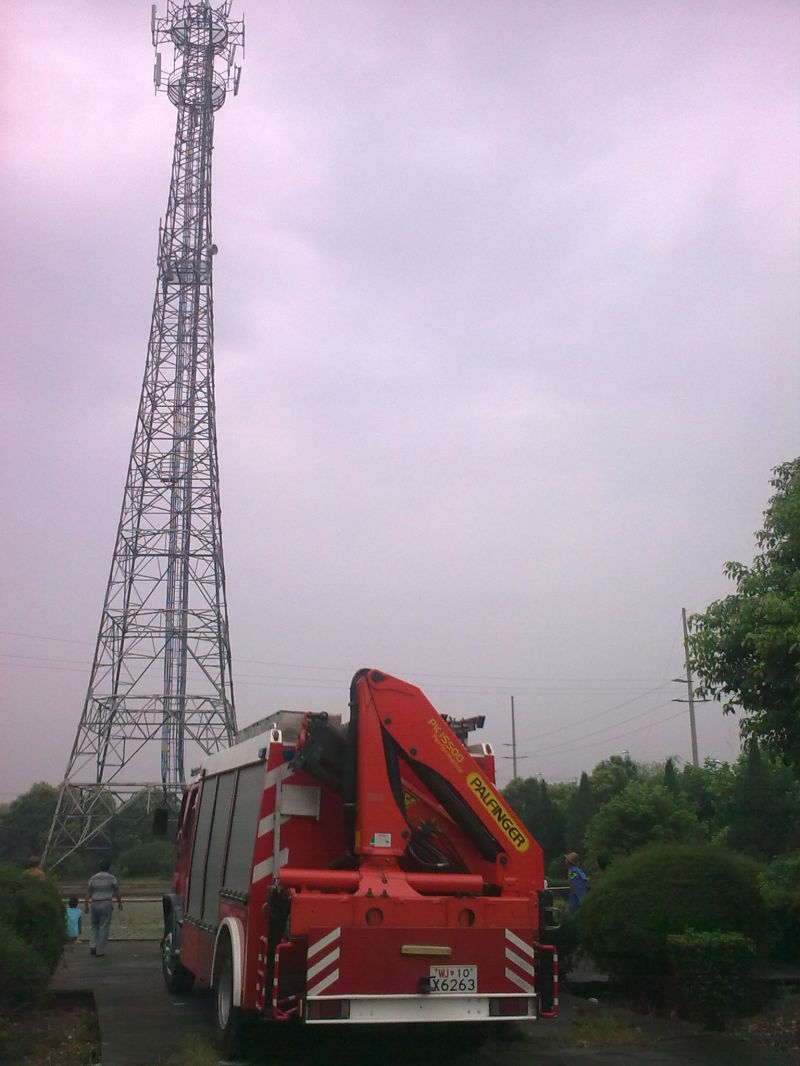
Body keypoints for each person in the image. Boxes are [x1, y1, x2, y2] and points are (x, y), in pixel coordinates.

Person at [85, 858, 123, 956]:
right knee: (104, 926)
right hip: (106, 902)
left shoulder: (93, 878)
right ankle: (99, 950)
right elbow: (116, 891)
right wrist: (119, 903)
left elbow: (89, 892)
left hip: (94, 903)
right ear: (109, 867)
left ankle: (92, 945)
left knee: (94, 925)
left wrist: (86, 905)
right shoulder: (111, 878)